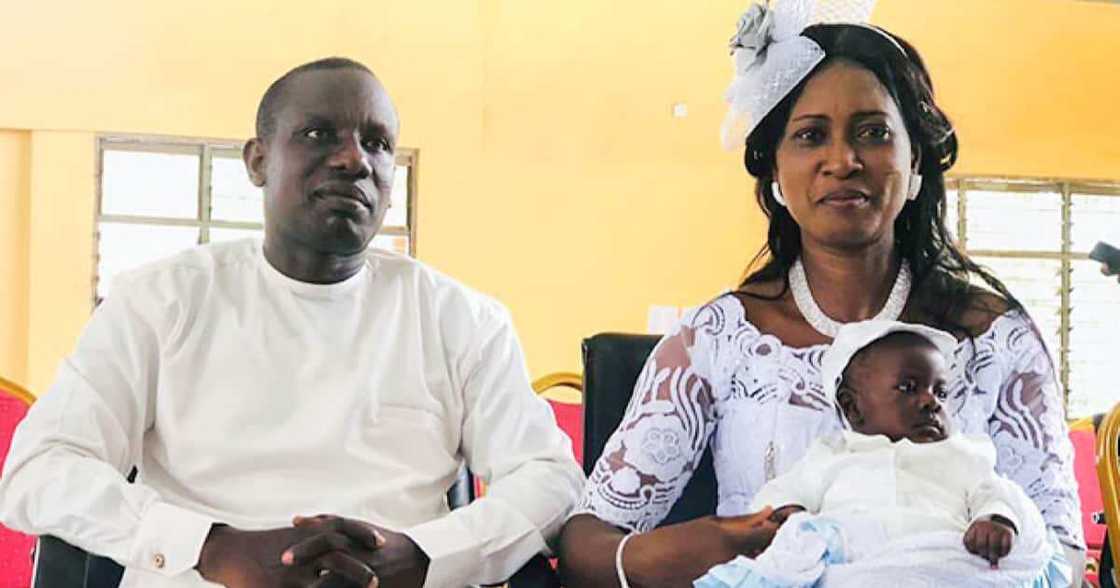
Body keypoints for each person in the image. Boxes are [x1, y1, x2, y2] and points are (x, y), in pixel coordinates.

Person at [0, 57, 584, 588]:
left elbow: (550, 478)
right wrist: (209, 548)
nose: (355, 159)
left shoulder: (460, 318)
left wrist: (426, 554)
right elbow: (40, 469)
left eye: (377, 143)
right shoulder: (160, 300)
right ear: (257, 160)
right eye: (318, 134)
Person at [558, 2, 1085, 586]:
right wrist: (714, 542)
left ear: (915, 165)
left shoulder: (994, 337)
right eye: (811, 136)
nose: (843, 160)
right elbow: (587, 542)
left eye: (873, 132)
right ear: (777, 174)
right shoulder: (718, 340)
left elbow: (1062, 548)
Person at [692, 320, 1069, 587]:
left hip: (940, 560)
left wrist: (996, 520)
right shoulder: (832, 454)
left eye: (941, 392)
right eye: (908, 387)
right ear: (852, 407)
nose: (929, 402)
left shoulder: (960, 454)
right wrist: (792, 516)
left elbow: (995, 491)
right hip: (857, 564)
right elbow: (784, 493)